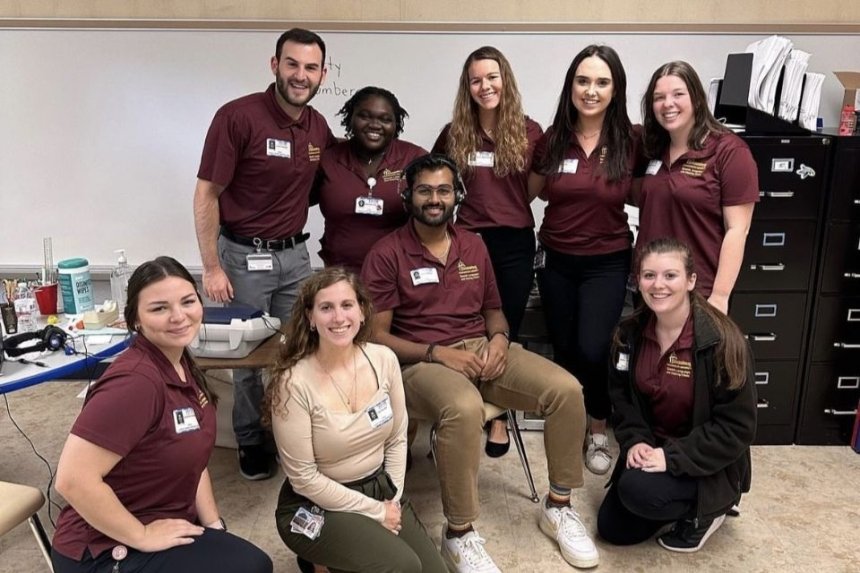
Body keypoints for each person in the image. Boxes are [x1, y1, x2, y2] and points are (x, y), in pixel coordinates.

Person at [361, 154, 599, 572]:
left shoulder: (473, 244)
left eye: (443, 190)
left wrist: (501, 340)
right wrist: (438, 353)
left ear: (457, 195)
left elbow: (494, 310)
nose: (435, 199)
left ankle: (558, 507)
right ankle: (459, 534)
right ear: (407, 195)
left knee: (566, 390)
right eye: (424, 190)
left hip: (480, 349)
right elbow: (377, 337)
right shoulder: (386, 253)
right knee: (464, 408)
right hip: (420, 363)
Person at [51, 256, 272, 573]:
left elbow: (192, 461)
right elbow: (72, 480)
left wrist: (214, 527)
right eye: (159, 308)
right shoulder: (135, 383)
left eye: (187, 301)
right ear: (135, 319)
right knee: (250, 567)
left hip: (161, 515)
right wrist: (140, 535)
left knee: (246, 562)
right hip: (101, 546)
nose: (179, 316)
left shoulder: (181, 362)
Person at [193, 28, 336, 480]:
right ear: (274, 65)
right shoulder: (237, 117)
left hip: (296, 258)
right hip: (242, 257)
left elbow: (315, 190)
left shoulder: (318, 127)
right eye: (292, 64)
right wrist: (212, 267)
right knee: (247, 359)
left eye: (310, 68)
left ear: (322, 74)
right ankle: (252, 441)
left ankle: (288, 434)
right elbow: (206, 194)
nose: (301, 75)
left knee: (296, 351)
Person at [266, 268, 446, 573]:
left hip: (379, 490)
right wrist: (375, 512)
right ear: (310, 317)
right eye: (326, 308)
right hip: (316, 503)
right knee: (402, 566)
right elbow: (304, 479)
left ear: (362, 312)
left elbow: (398, 436)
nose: (338, 318)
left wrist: (393, 499)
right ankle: (320, 558)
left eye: (347, 305)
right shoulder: (292, 383)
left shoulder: (383, 359)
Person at [597, 238, 756, 552]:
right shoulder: (629, 334)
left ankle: (711, 509)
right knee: (613, 529)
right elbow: (623, 400)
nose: (658, 285)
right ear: (638, 281)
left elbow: (737, 428)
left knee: (638, 492)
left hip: (706, 460)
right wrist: (636, 441)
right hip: (653, 447)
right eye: (649, 276)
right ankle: (673, 498)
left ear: (691, 280)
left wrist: (669, 458)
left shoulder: (722, 342)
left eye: (670, 275)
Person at [527, 45, 639, 476]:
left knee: (595, 348)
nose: (591, 90)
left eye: (602, 82)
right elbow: (527, 194)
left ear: (615, 89)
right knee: (567, 347)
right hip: (555, 260)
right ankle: (570, 423)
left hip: (607, 262)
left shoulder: (632, 140)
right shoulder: (552, 139)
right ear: (571, 86)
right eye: (583, 80)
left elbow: (648, 188)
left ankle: (597, 427)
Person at [432, 46, 543, 458]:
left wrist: (506, 208)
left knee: (504, 325)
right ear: (468, 86)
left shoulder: (530, 131)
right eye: (476, 79)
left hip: (514, 241)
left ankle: (499, 416)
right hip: (467, 241)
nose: (485, 86)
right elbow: (439, 184)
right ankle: (467, 401)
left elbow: (533, 187)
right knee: (469, 323)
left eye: (492, 77)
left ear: (505, 80)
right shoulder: (454, 132)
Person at [638, 60, 759, 315]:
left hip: (698, 291)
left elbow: (738, 229)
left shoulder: (729, 151)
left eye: (678, 94)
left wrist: (720, 296)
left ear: (697, 99)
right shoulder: (653, 148)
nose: (667, 104)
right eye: (659, 97)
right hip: (651, 287)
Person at [316, 86, 427, 273]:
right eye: (365, 116)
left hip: (398, 273)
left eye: (385, 119)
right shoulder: (328, 159)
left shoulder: (415, 159)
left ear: (396, 124)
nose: (375, 125)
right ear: (350, 118)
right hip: (339, 273)